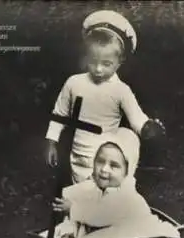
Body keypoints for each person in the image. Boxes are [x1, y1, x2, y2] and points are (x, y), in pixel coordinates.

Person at [45, 10, 166, 185]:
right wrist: (51, 142)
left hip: (106, 159)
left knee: (128, 137)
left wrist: (147, 128)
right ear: (86, 55)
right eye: (93, 61)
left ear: (120, 60)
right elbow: (60, 114)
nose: (99, 69)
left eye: (107, 64)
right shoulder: (74, 83)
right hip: (80, 159)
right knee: (83, 199)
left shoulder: (121, 90)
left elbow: (136, 119)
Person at [50, 128, 179, 238]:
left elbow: (102, 215)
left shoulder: (126, 197)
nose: (104, 169)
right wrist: (68, 198)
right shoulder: (98, 187)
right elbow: (83, 193)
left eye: (114, 166)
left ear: (127, 172)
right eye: (100, 161)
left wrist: (73, 209)